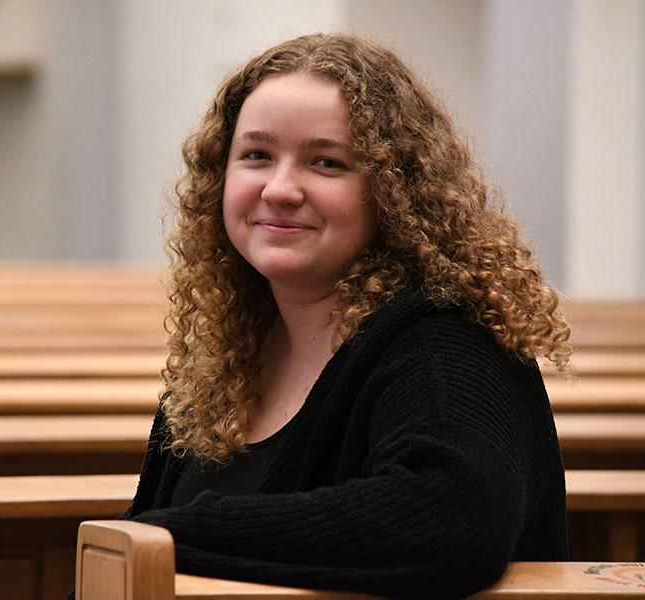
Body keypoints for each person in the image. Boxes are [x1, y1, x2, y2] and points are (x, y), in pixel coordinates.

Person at [94, 33, 571, 599]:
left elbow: (450, 522)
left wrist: (161, 537)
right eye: (256, 155)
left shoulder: (447, 340)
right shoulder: (226, 353)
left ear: (393, 191)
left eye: (326, 162)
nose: (280, 188)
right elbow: (145, 530)